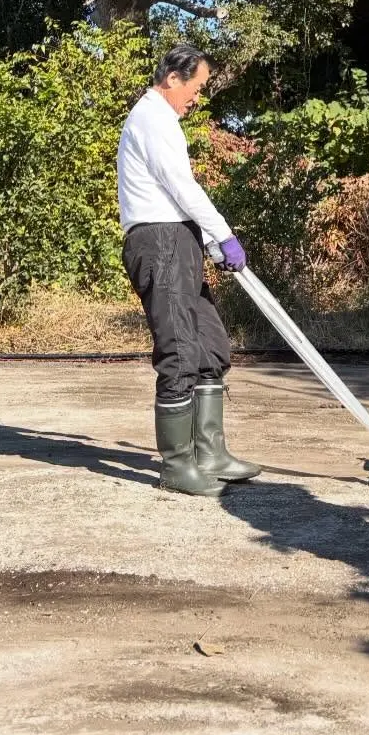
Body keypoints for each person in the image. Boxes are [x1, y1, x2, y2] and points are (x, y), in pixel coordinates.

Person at [118, 43, 260, 497]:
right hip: (158, 240)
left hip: (178, 238)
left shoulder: (164, 121)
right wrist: (222, 232)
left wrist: (208, 241)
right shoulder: (152, 118)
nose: (198, 97)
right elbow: (182, 186)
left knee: (210, 343)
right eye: (196, 87)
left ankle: (211, 452)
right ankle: (178, 465)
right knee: (180, 349)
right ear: (173, 79)